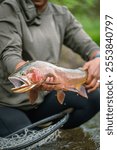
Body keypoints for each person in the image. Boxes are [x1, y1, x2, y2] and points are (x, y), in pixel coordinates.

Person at [0, 0, 100, 137]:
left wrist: (98, 59)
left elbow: (91, 48)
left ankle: (49, 134)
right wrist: (32, 74)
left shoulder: (61, 14)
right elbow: (9, 54)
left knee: (96, 96)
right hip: (8, 105)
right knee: (30, 141)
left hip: (42, 101)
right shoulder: (8, 7)